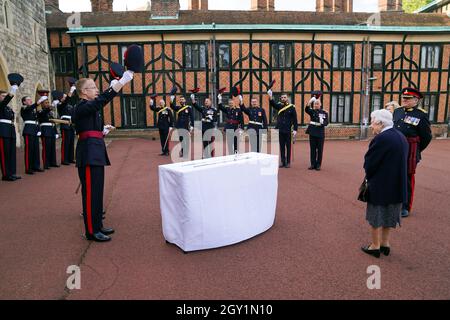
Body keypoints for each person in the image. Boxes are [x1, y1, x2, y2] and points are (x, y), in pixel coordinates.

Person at [72, 71, 134, 242]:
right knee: (91, 193)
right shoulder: (82, 106)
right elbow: (101, 101)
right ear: (84, 91)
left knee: (97, 192)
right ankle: (91, 231)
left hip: (95, 152)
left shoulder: (90, 108)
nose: (96, 90)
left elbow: (92, 132)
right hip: (89, 154)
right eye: (92, 87)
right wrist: (120, 83)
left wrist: (103, 132)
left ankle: (97, 224)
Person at [361, 109, 408, 258]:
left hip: (381, 183)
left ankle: (374, 246)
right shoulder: (400, 136)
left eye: (373, 122)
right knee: (390, 214)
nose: (371, 125)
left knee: (376, 215)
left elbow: (370, 163)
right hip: (397, 183)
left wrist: (368, 176)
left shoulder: (381, 138)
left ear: (380, 123)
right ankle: (385, 244)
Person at [393, 87, 432, 218]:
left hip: (410, 149)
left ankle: (405, 206)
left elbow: (426, 136)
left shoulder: (421, 114)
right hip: (396, 148)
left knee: (407, 178)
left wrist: (416, 150)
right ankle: (394, 202)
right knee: (394, 176)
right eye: (403, 98)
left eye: (408, 98)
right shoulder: (397, 111)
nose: (404, 100)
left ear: (416, 100)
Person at [268, 90, 298, 168]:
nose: (283, 98)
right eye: (282, 97)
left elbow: (295, 119)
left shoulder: (292, 107)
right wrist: (270, 96)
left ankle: (288, 162)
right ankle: (283, 161)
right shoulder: (279, 106)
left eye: (285, 97)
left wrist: (295, 129)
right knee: (281, 146)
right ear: (281, 98)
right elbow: (272, 104)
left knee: (288, 146)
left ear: (287, 98)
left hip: (288, 130)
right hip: (280, 129)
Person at [0, 86, 21, 181]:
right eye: (3, 96)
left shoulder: (8, 108)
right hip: (3, 131)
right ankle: (6, 174)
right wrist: (12, 91)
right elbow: (4, 103)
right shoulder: (1, 106)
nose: (5, 97)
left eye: (5, 96)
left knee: (12, 153)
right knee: (5, 154)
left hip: (10, 131)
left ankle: (12, 172)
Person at [305, 94, 329, 171]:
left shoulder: (324, 112)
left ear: (320, 104)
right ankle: (313, 164)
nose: (316, 105)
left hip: (320, 132)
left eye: (317, 103)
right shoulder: (312, 111)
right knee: (312, 149)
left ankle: (318, 164)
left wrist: (322, 122)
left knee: (320, 149)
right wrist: (310, 101)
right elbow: (306, 109)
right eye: (315, 103)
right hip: (312, 132)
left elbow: (326, 123)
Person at [191, 94, 218, 158]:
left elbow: (216, 119)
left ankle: (211, 156)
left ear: (210, 102)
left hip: (210, 128)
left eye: (207, 101)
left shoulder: (214, 110)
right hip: (204, 128)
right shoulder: (203, 109)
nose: (206, 102)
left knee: (210, 143)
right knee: (205, 142)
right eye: (205, 101)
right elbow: (196, 106)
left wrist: (211, 119)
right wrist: (193, 99)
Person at [21, 96, 43, 174]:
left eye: (30, 99)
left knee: (36, 149)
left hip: (34, 130)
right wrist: (37, 102)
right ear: (24, 102)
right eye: (28, 99)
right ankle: (28, 168)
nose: (30, 100)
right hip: (28, 130)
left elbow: (37, 121)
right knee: (29, 150)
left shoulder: (33, 110)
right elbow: (29, 108)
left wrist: (39, 130)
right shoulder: (24, 108)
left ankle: (35, 166)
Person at [37, 94, 59, 169]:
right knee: (46, 148)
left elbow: (53, 122)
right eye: (46, 103)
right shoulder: (40, 111)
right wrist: (51, 106)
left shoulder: (50, 112)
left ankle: (53, 162)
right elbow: (44, 113)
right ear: (42, 104)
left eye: (48, 102)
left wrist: (56, 132)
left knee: (52, 147)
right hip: (45, 131)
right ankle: (46, 164)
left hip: (51, 130)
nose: (47, 104)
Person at [55, 93, 76, 165]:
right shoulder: (60, 105)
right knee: (65, 142)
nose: (66, 98)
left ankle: (71, 158)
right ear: (61, 99)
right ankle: (64, 159)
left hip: (71, 125)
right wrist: (69, 95)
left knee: (71, 142)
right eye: (64, 97)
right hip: (64, 125)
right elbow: (65, 102)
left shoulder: (70, 106)